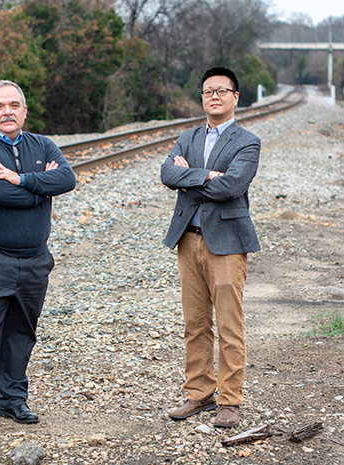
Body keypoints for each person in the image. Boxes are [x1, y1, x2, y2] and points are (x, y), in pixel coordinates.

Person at [0, 80, 76, 432]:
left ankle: (12, 401)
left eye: (14, 105)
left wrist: (20, 178)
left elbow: (67, 179)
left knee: (21, 333)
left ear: (24, 111)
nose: (7, 111)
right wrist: (40, 185)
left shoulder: (44, 144)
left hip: (35, 259)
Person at [161, 67, 260, 427]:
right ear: (201, 97)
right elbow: (166, 174)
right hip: (188, 239)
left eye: (221, 91)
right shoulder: (187, 137)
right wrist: (205, 175)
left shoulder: (248, 141)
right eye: (207, 92)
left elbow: (232, 187)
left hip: (227, 243)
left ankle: (230, 400)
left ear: (236, 97)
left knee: (229, 325)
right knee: (195, 322)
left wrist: (188, 180)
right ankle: (199, 393)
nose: (213, 96)